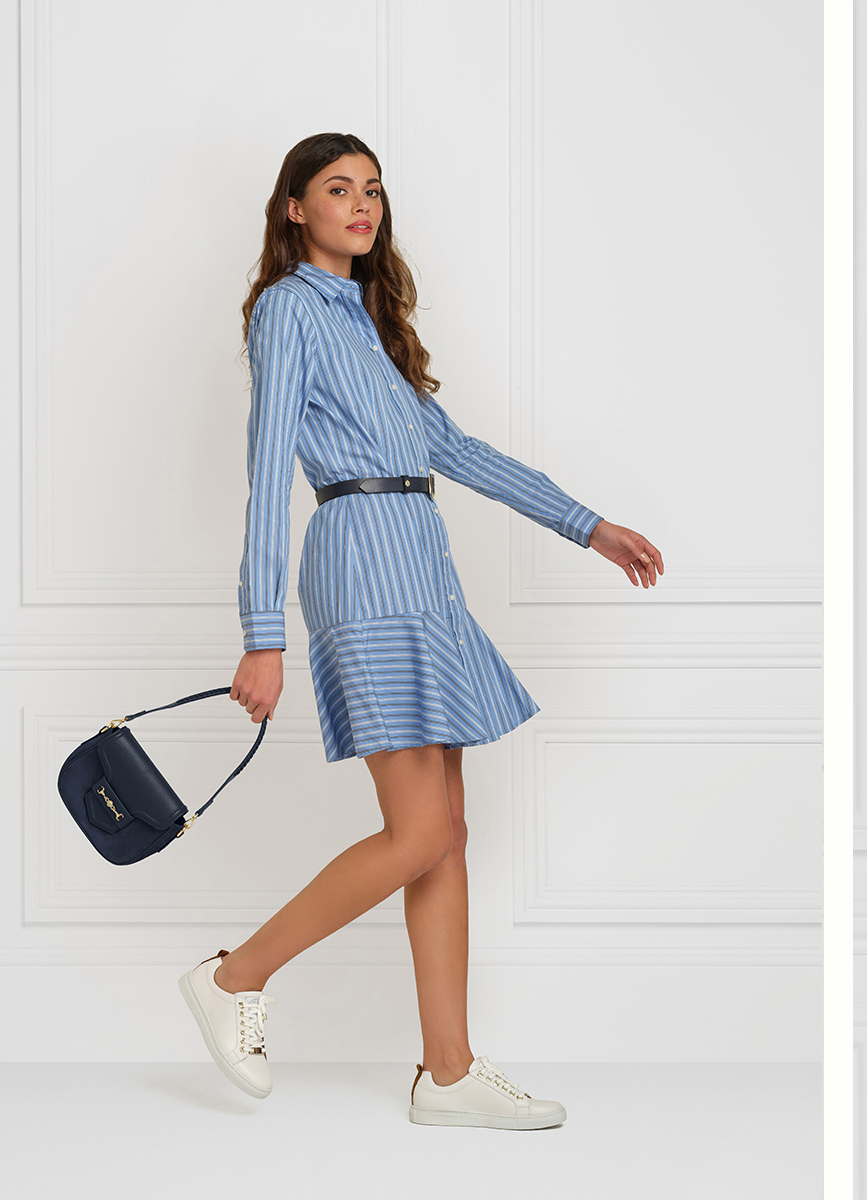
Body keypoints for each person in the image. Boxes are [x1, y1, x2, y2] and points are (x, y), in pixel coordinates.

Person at [176, 132, 663, 1130]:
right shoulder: (286, 312)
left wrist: (591, 527)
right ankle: (235, 978)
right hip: (362, 567)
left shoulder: (368, 325)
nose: (362, 205)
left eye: (374, 192)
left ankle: (448, 1074)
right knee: (422, 830)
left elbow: (458, 450)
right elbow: (270, 474)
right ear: (293, 212)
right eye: (338, 189)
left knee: (446, 832)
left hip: (420, 568)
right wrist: (259, 630)